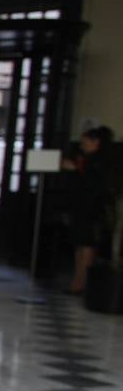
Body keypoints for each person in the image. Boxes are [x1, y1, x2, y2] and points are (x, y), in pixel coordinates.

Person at [69, 125, 116, 293]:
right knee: (80, 244)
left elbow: (95, 185)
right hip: (82, 207)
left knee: (87, 244)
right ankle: (77, 280)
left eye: (85, 142)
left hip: (92, 208)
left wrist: (76, 169)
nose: (82, 145)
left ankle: (81, 283)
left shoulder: (99, 162)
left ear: (95, 142)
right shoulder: (88, 159)